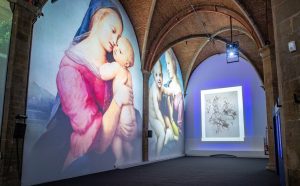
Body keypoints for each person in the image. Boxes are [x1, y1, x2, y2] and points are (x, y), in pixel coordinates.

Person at [29, 0, 136, 180]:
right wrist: (119, 101)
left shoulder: (111, 66)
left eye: (118, 36)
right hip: (75, 151)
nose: (115, 40)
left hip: (105, 159)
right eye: (113, 31)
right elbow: (98, 142)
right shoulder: (69, 72)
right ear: (97, 20)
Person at [97, 36, 137, 165]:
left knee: (116, 136)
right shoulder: (128, 74)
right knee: (127, 142)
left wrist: (101, 64)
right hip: (132, 119)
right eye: (116, 47)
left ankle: (120, 159)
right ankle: (131, 157)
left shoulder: (117, 67)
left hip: (123, 118)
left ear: (126, 63)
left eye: (119, 51)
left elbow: (102, 73)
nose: (115, 50)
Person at [149, 61, 174, 156]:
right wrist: (162, 123)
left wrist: (173, 92)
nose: (159, 78)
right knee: (162, 134)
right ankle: (157, 156)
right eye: (156, 75)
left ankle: (162, 148)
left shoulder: (161, 88)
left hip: (158, 116)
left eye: (160, 75)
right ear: (153, 76)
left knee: (168, 128)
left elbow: (167, 91)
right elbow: (157, 110)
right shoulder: (154, 90)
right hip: (153, 118)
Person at [163, 49, 184, 145]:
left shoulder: (179, 93)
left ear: (174, 64)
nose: (167, 68)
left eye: (168, 63)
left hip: (172, 129)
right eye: (166, 64)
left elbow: (180, 121)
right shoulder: (166, 85)